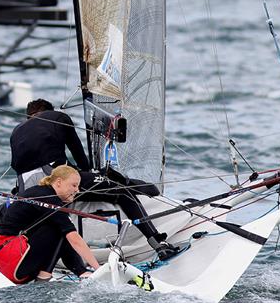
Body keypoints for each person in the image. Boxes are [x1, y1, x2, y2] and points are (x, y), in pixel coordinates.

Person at [10, 98, 178, 260]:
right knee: (120, 191)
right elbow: (79, 157)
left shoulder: (16, 131)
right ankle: (158, 243)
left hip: (27, 191)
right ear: (49, 112)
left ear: (28, 117)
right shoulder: (59, 118)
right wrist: (93, 174)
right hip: (56, 181)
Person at [0, 165, 100, 283]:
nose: (77, 190)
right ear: (59, 182)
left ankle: (80, 271)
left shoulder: (41, 192)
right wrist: (98, 269)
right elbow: (74, 239)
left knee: (61, 226)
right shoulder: (49, 198)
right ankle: (47, 275)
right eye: (74, 185)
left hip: (1, 261)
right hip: (12, 261)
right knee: (63, 229)